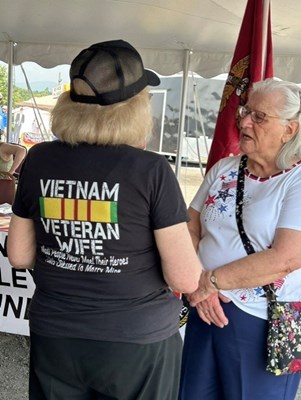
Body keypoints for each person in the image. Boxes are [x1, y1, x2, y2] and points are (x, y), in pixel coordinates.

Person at [7, 39, 202, 400]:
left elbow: (18, 255)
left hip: (57, 333)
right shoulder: (151, 169)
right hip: (135, 340)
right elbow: (186, 277)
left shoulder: (39, 160)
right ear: (134, 108)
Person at [179, 78, 301, 400]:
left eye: (260, 117)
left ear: (289, 130)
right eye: (246, 111)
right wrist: (199, 287)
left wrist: (211, 282)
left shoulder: (297, 181)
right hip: (204, 306)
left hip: (261, 319)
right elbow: (188, 229)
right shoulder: (224, 168)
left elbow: (286, 258)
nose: (244, 121)